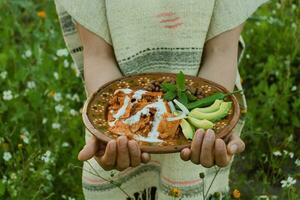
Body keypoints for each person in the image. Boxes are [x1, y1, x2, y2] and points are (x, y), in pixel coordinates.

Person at [54, 0, 268, 199]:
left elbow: (220, 51)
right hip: (120, 118)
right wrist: (115, 126)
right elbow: (99, 55)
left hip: (198, 125)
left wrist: (212, 124)